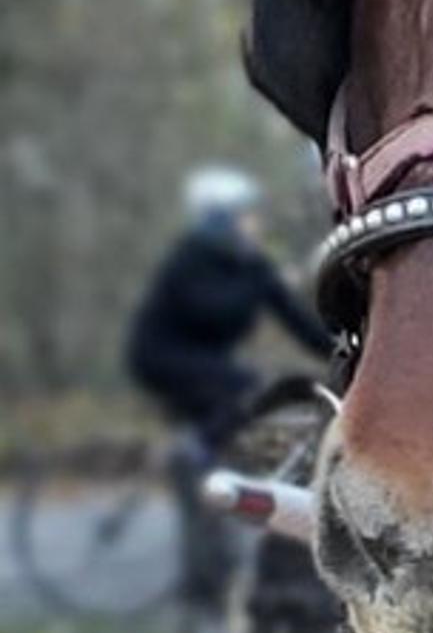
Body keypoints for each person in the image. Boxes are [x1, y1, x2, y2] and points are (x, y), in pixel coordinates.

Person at [125, 166, 333, 448]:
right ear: (221, 218)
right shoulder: (190, 257)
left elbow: (297, 321)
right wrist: (260, 283)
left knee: (238, 394)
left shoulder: (252, 265)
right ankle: (194, 457)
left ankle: (205, 467)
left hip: (203, 359)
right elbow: (209, 310)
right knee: (245, 387)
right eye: (246, 215)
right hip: (160, 355)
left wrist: (338, 353)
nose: (255, 223)